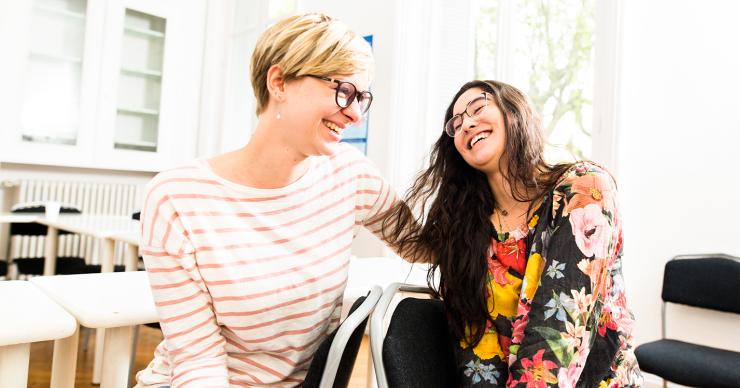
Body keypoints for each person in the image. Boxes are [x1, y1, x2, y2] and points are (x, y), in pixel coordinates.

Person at [134, 13, 413, 387]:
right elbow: (199, 364)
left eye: (362, 97)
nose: (356, 114)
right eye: (344, 91)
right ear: (279, 82)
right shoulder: (176, 199)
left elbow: (426, 246)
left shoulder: (351, 175)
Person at [384, 80, 643, 387]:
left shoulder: (584, 189)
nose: (466, 123)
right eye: (455, 124)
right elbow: (477, 353)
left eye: (477, 107)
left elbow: (561, 333)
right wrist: (361, 187)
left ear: (514, 111)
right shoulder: (468, 230)